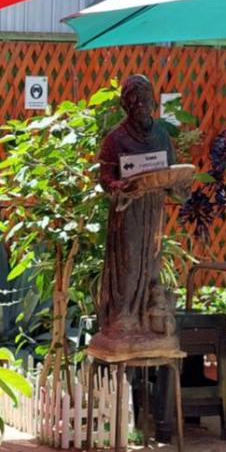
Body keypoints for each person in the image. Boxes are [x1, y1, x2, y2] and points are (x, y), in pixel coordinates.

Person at [94, 74, 180, 353]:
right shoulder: (116, 139)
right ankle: (123, 319)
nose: (140, 106)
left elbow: (171, 172)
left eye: (144, 100)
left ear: (152, 102)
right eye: (134, 102)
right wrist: (120, 186)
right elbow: (105, 177)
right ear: (125, 105)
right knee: (129, 265)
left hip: (153, 211)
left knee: (151, 263)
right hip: (128, 213)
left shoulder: (161, 135)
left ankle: (148, 318)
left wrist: (178, 184)